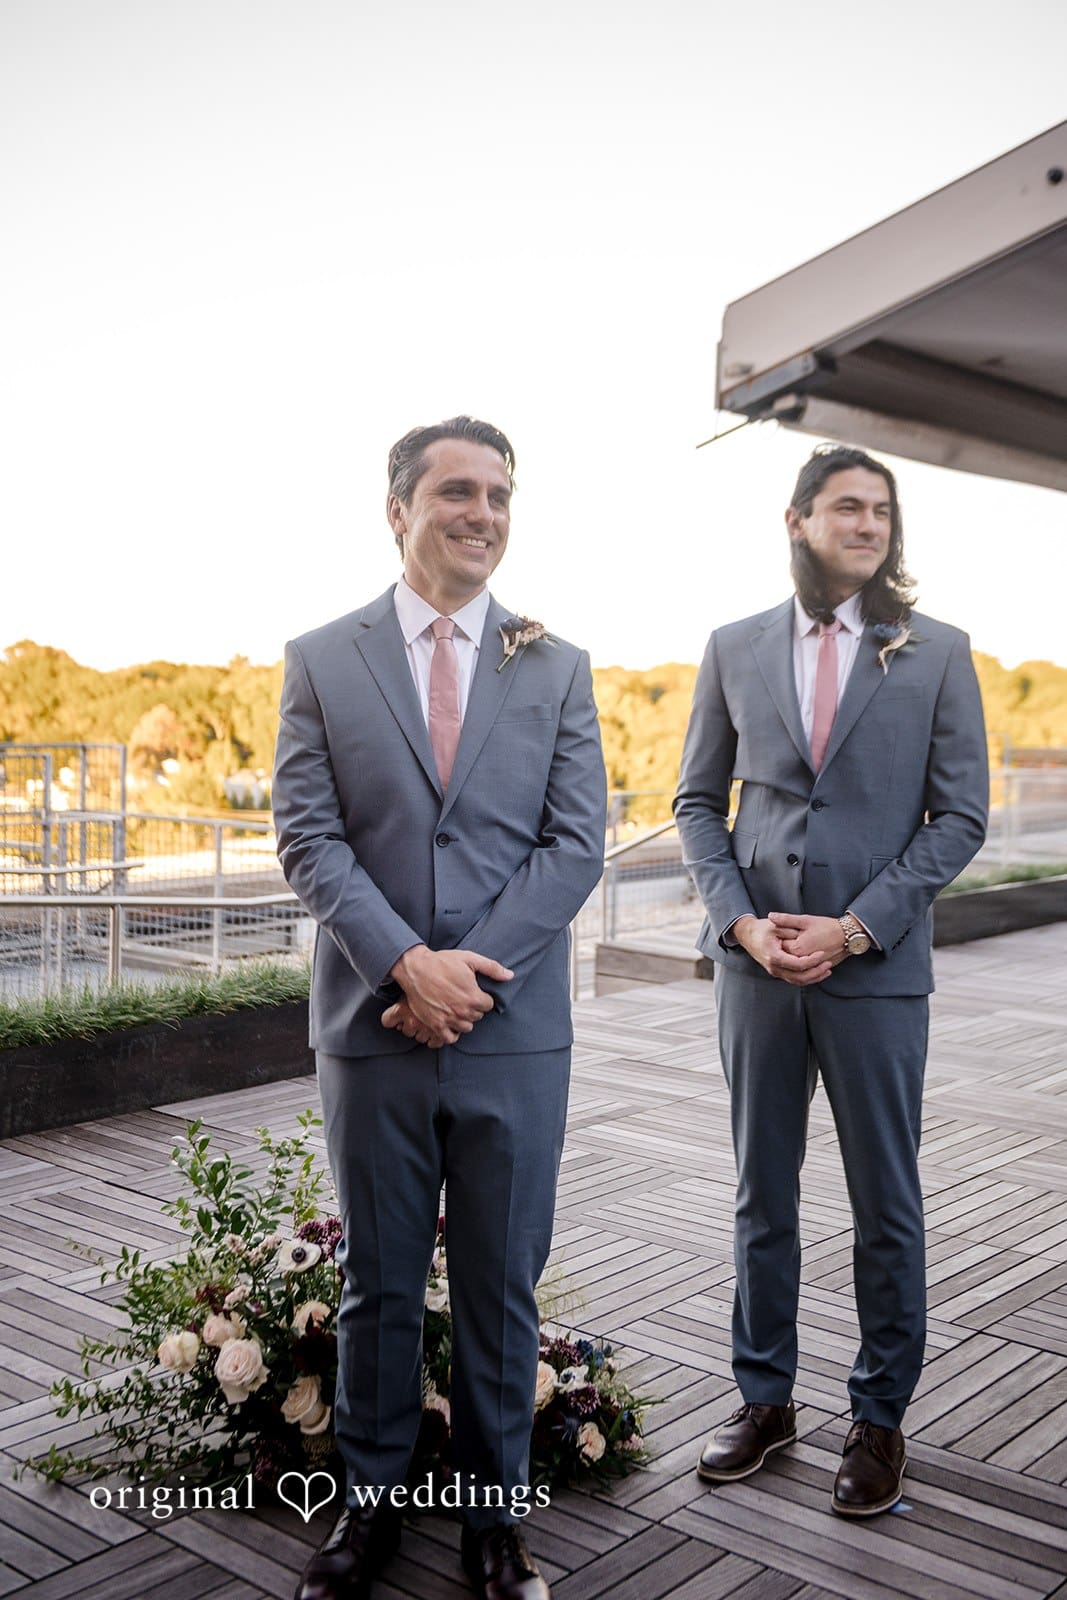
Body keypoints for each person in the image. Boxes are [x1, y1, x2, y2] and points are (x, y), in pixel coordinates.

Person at [273, 416, 606, 1600]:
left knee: (500, 1284)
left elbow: (576, 848)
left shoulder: (557, 665)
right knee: (375, 1280)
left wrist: (464, 978)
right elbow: (306, 835)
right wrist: (403, 963)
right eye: (456, 491)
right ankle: (364, 1517)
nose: (482, 512)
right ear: (398, 510)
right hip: (372, 1030)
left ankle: (491, 1520)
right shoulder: (320, 657)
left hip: (513, 1036)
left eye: (500, 494)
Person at [674, 444, 988, 1517]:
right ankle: (763, 1399)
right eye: (846, 507)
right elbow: (694, 808)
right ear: (796, 519)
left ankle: (877, 1416)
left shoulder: (936, 652)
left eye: (880, 511)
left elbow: (959, 818)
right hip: (755, 975)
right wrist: (740, 925)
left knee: (882, 1204)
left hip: (874, 973)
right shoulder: (731, 646)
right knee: (762, 1193)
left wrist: (856, 928)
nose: (866, 524)